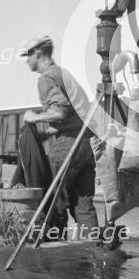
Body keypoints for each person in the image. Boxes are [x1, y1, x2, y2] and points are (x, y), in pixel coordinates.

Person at [21, 35, 99, 239]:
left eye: (28, 55)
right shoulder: (63, 74)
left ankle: (55, 244)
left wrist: (35, 117)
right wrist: (49, 131)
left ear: (38, 53)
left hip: (69, 145)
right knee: (83, 200)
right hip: (85, 143)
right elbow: (74, 114)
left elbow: (60, 112)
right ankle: (94, 247)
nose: (26, 60)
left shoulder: (47, 78)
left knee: (54, 195)